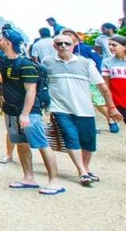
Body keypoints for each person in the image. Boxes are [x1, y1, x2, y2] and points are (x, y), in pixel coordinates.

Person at [43, 33, 123, 186]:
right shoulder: (47, 63)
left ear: (73, 45)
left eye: (66, 43)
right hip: (60, 108)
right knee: (71, 137)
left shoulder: (85, 63)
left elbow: (102, 87)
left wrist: (111, 107)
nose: (63, 46)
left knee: (88, 141)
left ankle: (85, 168)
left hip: (84, 108)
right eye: (59, 44)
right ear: (55, 46)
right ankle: (82, 171)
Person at [0, 28, 62, 195]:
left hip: (28, 112)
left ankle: (54, 181)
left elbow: (31, 91)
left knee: (42, 143)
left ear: (8, 42)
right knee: (21, 143)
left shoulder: (26, 64)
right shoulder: (3, 59)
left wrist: (25, 113)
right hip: (11, 109)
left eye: (0, 39)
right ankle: (28, 177)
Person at [63, 29, 117, 133]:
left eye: (69, 35)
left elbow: (97, 61)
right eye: (65, 35)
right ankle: (90, 126)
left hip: (91, 80)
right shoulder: (65, 51)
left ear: (76, 36)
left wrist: (99, 78)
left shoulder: (86, 48)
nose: (67, 37)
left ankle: (111, 120)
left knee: (99, 103)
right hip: (75, 81)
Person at [102, 35, 126, 120]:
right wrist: (110, 105)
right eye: (109, 44)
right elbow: (106, 85)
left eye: (114, 45)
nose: (110, 47)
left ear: (124, 47)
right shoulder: (107, 62)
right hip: (118, 101)